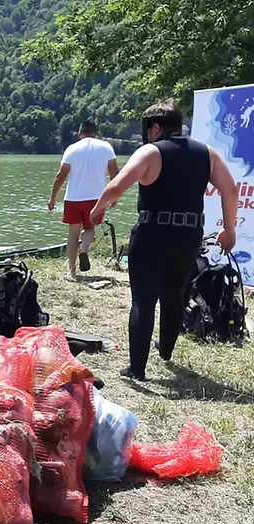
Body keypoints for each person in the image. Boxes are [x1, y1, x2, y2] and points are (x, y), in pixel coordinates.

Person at [89, 99, 239, 381]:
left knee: (143, 300)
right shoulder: (207, 153)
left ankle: (137, 369)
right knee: (174, 296)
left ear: (155, 128)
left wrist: (98, 208)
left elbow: (117, 185)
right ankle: (166, 352)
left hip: (151, 235)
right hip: (188, 236)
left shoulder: (151, 152)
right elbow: (230, 190)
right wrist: (229, 230)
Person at [48, 120, 119, 279]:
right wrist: (115, 196)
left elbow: (61, 176)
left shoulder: (71, 149)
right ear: (96, 132)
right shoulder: (106, 147)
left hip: (73, 198)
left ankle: (72, 272)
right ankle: (84, 250)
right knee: (89, 228)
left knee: (73, 232)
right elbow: (115, 174)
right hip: (96, 198)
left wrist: (53, 198)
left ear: (80, 134)